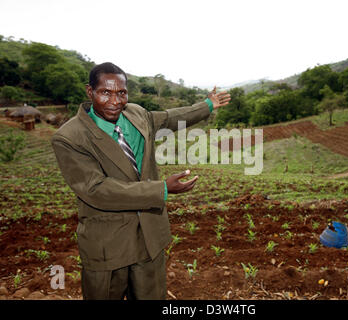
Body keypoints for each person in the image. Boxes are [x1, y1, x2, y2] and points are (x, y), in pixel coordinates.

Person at [51, 62, 230, 300]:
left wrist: (207, 105)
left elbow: (169, 119)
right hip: (108, 246)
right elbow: (96, 189)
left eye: (121, 93)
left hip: (149, 237)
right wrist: (162, 189)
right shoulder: (69, 137)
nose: (115, 101)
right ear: (90, 91)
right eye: (106, 92)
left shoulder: (135, 114)